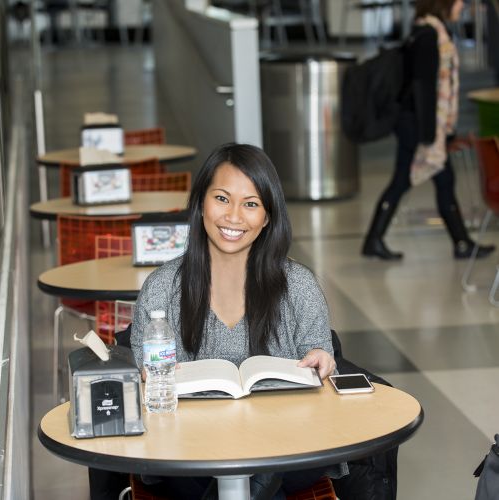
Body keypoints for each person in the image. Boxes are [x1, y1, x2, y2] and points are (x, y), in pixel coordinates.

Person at [131, 143, 346, 500]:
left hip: (286, 446)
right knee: (243, 479)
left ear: (267, 218)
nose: (233, 216)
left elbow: (319, 361)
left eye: (251, 204)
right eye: (222, 198)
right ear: (200, 203)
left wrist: (322, 360)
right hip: (191, 451)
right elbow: (147, 388)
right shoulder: (162, 289)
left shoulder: (299, 286)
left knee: (262, 470)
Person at [362, 0, 496, 260]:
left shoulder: (428, 31)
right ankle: (460, 243)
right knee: (421, 180)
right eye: (459, 2)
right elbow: (424, 87)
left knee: (423, 180)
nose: (463, 6)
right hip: (419, 124)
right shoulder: (429, 35)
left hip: (418, 122)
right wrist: (432, 135)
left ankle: (377, 239)